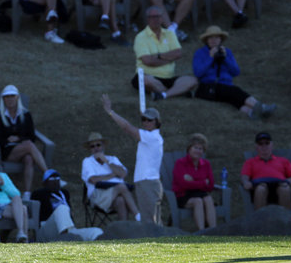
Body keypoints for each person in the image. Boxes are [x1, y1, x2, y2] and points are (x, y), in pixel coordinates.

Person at [102, 95, 164, 224]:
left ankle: (158, 243)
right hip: (144, 181)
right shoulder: (149, 136)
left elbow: (127, 128)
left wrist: (110, 112)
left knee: (152, 221)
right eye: (144, 120)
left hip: (149, 182)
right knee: (149, 220)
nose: (146, 122)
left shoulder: (152, 137)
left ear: (157, 122)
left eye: (149, 120)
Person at [192, 26, 276, 119]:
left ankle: (251, 113)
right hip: (208, 87)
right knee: (235, 91)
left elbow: (236, 72)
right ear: (206, 40)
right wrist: (210, 57)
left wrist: (226, 58)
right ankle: (262, 107)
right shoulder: (200, 53)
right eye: (211, 38)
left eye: (216, 37)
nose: (214, 40)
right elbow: (198, 73)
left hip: (226, 85)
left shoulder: (227, 52)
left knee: (234, 99)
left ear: (221, 40)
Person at [0, 85, 48, 200]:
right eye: (7, 97)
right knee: (28, 145)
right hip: (7, 151)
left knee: (29, 158)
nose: (10, 99)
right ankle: (48, 174)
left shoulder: (26, 115)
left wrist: (19, 139)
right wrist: (7, 140)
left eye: (12, 96)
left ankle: (27, 193)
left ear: (17, 98)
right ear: (3, 99)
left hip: (24, 148)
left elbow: (31, 136)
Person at [132, 6, 197, 101]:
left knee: (192, 80)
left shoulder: (170, 34)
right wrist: (169, 58)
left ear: (162, 18)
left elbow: (178, 54)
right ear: (147, 19)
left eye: (158, 17)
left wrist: (158, 56)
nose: (155, 19)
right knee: (144, 80)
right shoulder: (141, 37)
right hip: (149, 75)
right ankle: (177, 92)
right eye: (152, 17)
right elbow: (147, 61)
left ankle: (164, 94)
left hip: (169, 77)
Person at [81, 132, 139, 221]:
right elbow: (93, 180)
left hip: (114, 195)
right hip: (98, 195)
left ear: (103, 146)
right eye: (92, 146)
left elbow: (123, 173)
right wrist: (113, 175)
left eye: (98, 145)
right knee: (121, 186)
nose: (96, 148)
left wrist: (106, 161)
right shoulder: (88, 161)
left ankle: (124, 231)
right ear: (90, 149)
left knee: (121, 201)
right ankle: (138, 217)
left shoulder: (113, 159)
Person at [32, 169, 102, 241]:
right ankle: (65, 240)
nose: (55, 181)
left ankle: (68, 238)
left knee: (96, 231)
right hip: (47, 229)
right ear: (45, 182)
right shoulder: (39, 194)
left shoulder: (64, 193)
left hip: (68, 229)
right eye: (52, 179)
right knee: (62, 208)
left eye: (57, 178)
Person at [240, 132, 291, 210]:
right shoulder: (250, 162)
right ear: (256, 147)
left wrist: (289, 181)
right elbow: (244, 177)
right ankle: (260, 220)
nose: (264, 146)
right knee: (261, 189)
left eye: (267, 143)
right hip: (260, 186)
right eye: (260, 144)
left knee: (284, 189)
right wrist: (246, 182)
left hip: (279, 185)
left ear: (272, 145)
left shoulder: (283, 161)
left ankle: (285, 220)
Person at [172, 133, 216, 231]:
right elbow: (183, 184)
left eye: (200, 149)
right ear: (189, 148)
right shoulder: (180, 163)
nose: (198, 151)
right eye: (195, 147)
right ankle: (202, 232)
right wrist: (203, 182)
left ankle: (214, 231)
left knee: (208, 199)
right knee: (198, 201)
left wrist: (193, 181)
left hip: (199, 193)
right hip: (183, 195)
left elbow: (211, 185)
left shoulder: (206, 164)